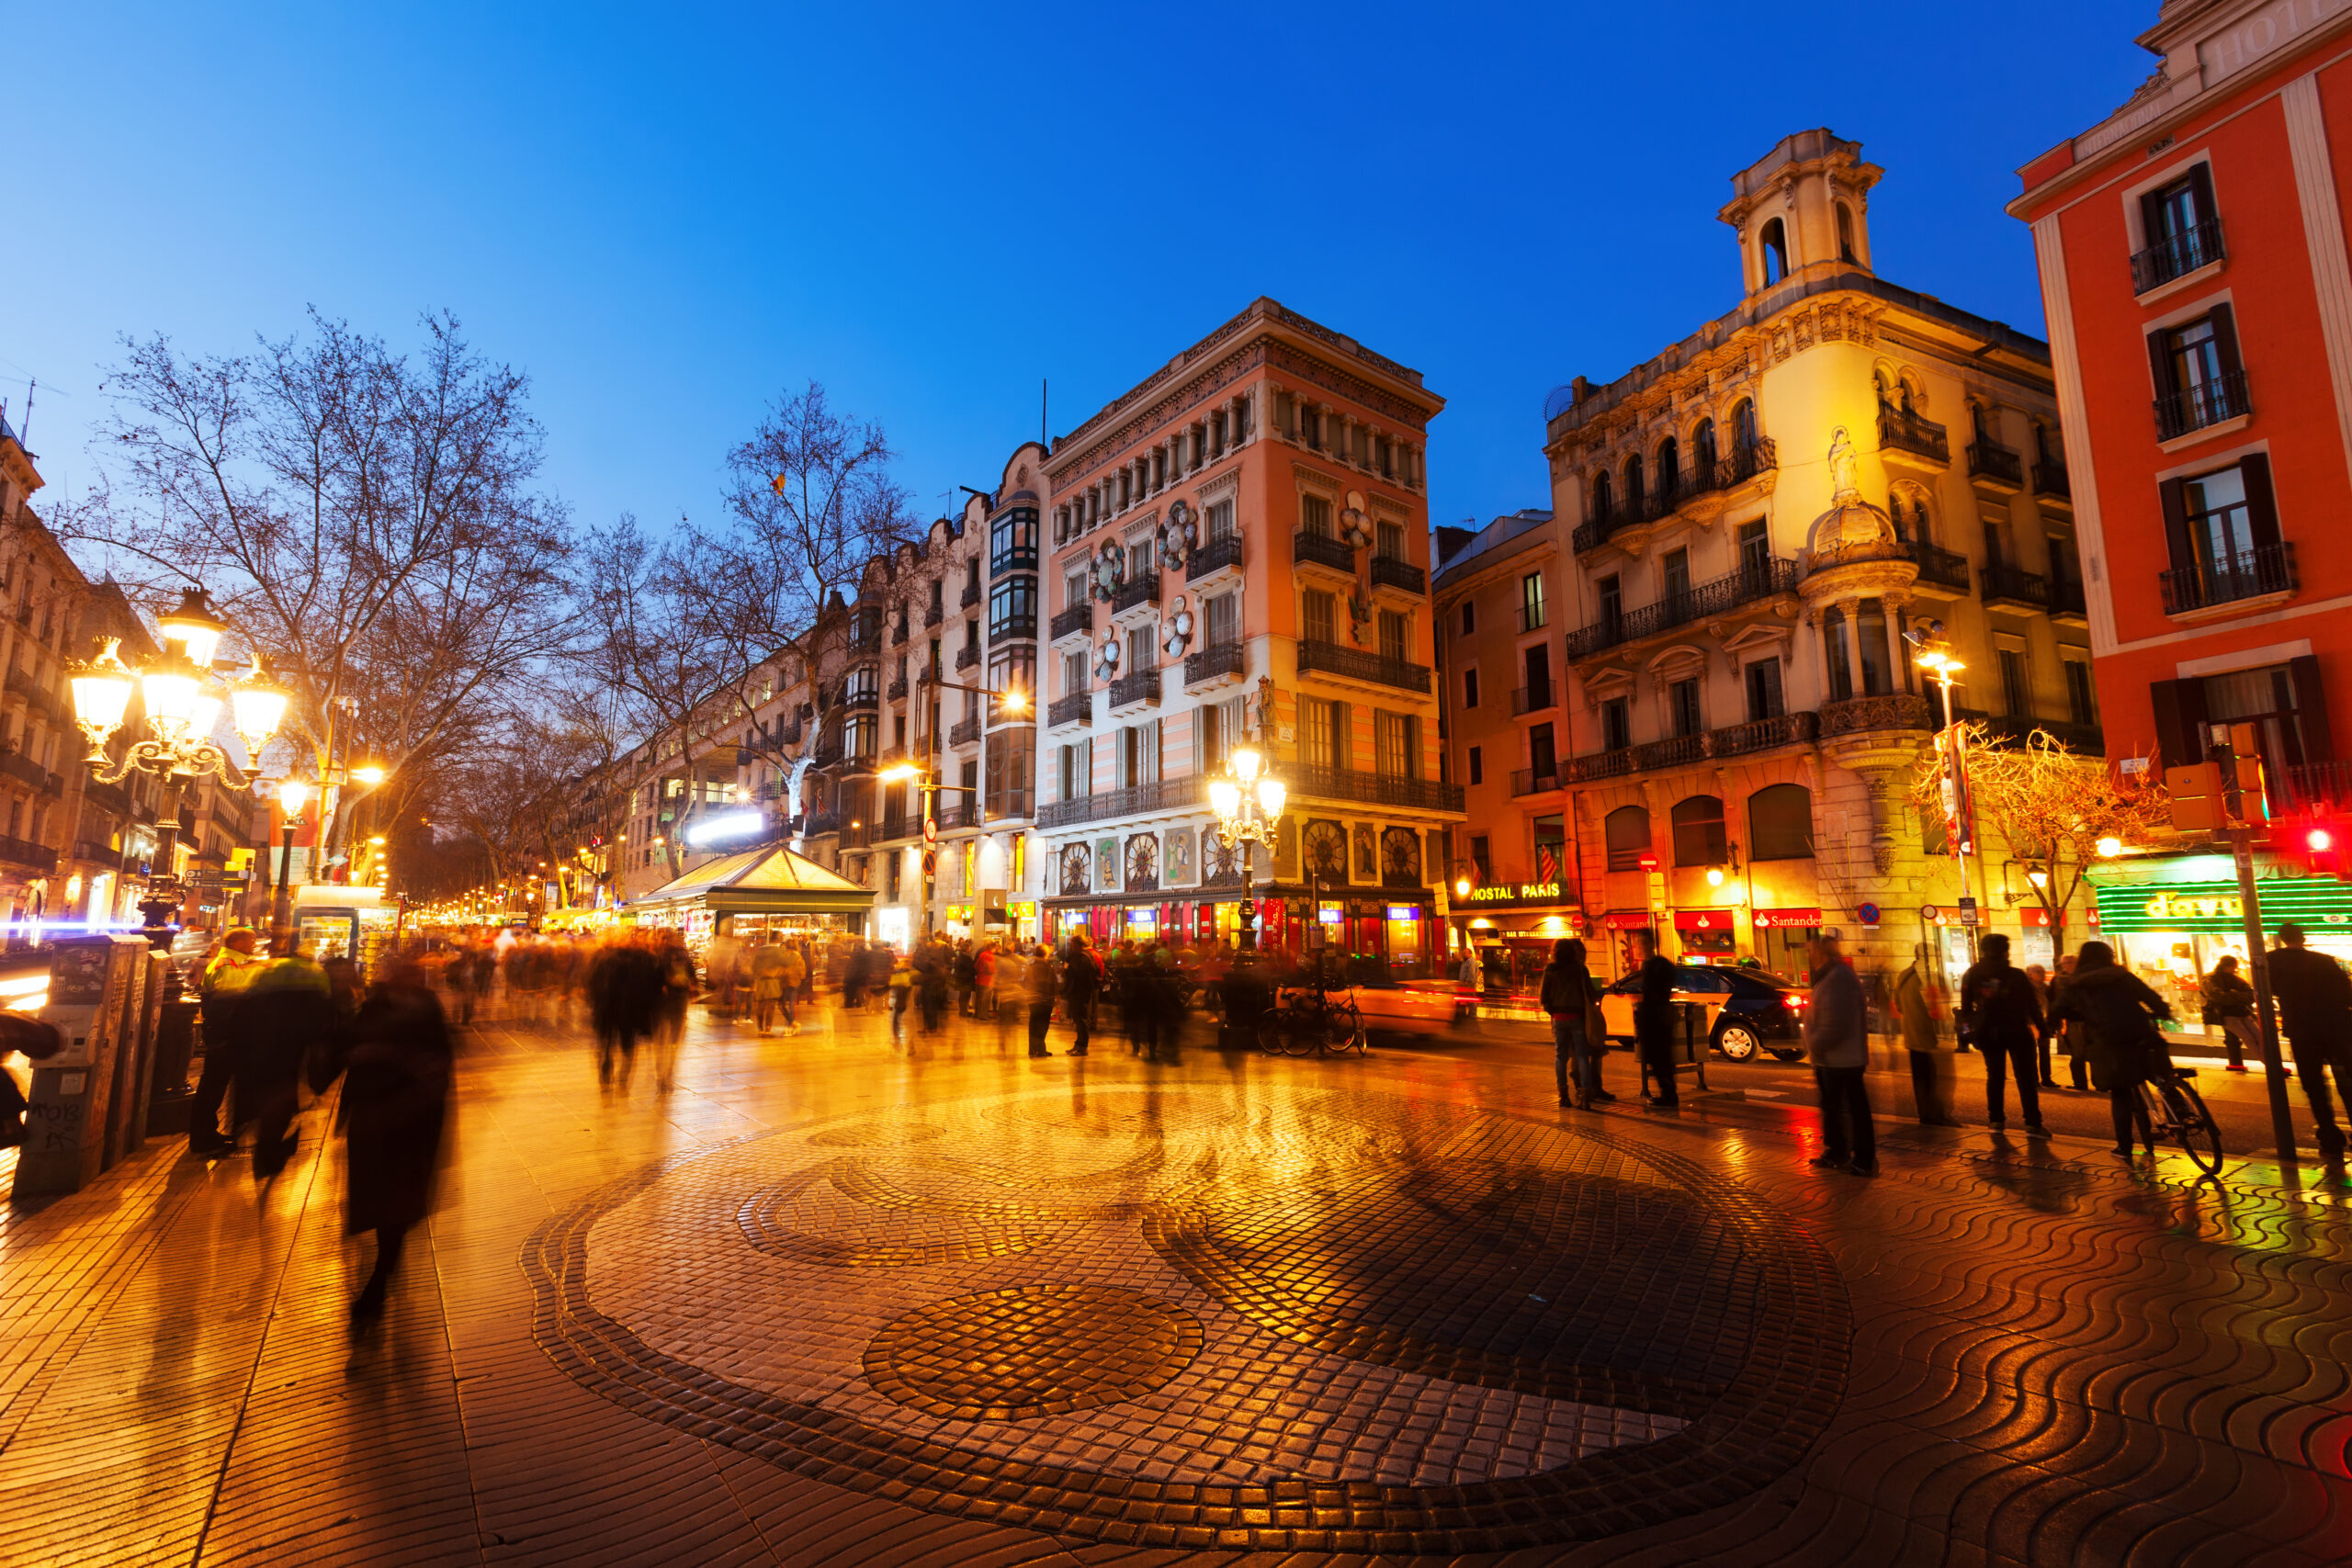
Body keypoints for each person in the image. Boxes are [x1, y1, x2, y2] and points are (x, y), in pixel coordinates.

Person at [340, 956, 453, 1333]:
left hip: (412, 1116)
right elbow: (348, 1049)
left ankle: (380, 1276)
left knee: (398, 1195)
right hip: (377, 1115)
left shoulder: (423, 1005)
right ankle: (385, 1259)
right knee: (378, 1193)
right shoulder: (376, 1006)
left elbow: (441, 1058)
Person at [2045, 942, 2168, 1157]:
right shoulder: (2121, 976)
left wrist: (2053, 1024)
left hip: (2109, 1040)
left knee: (2121, 1093)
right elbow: (2149, 996)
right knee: (2164, 1076)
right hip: (2141, 1031)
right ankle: (2183, 1114)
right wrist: (2163, 1011)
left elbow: (2057, 1009)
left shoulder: (2077, 984)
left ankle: (2125, 1147)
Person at [241, 932, 334, 1181]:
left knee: (271, 1089)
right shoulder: (316, 973)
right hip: (300, 1044)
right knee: (289, 1090)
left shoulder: (267, 971)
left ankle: (269, 1143)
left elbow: (248, 1002)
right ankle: (279, 1144)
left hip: (266, 1041)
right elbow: (327, 1009)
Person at [2265, 922, 2352, 1164]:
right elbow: (2348, 992)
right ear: (2303, 938)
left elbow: (2266, 991)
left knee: (2315, 1088)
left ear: (2282, 939)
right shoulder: (2324, 961)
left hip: (2303, 1032)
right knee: (2347, 1082)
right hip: (2337, 1030)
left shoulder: (2271, 961)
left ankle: (2330, 1140)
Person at [1959, 932, 2050, 1135]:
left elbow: (1965, 1010)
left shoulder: (1972, 974)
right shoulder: (2016, 975)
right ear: (2005, 951)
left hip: (1988, 1031)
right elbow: (2032, 1007)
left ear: (1983, 951)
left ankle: (1996, 1121)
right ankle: (2032, 1123)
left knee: (1995, 1076)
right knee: (2026, 1078)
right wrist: (2043, 1030)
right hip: (2017, 1029)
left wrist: (1966, 1034)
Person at [188, 928, 266, 1156]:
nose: (253, 945)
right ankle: (204, 1137)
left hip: (224, 1037)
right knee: (213, 1087)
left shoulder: (229, 963)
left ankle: (208, 1134)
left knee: (214, 1085)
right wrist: (223, 1039)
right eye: (251, 941)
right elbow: (226, 1004)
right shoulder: (228, 966)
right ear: (240, 943)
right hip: (226, 1038)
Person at [1804, 931, 1876, 1174]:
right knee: (1835, 1108)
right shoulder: (1831, 976)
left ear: (1821, 952)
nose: (1808, 955)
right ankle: (1839, 1151)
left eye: (1810, 950)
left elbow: (1835, 1024)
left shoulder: (1838, 979)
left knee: (1852, 1110)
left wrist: (1815, 1044)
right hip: (1834, 1059)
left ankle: (1862, 1158)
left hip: (1841, 1059)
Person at [1540, 938, 1611, 1109]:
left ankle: (1564, 1096)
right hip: (1577, 1017)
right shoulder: (1580, 969)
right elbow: (1591, 994)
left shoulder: (1550, 969)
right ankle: (1585, 1096)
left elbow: (1544, 998)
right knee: (1582, 1055)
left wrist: (1555, 1011)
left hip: (1559, 1017)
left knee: (1560, 1057)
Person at [1891, 942, 1956, 1126]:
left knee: (1920, 1079)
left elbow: (1898, 1004)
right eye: (1935, 955)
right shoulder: (1931, 977)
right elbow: (1940, 1007)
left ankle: (1926, 1115)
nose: (1937, 959)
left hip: (1913, 1037)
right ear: (1928, 957)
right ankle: (1939, 1116)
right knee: (1938, 1079)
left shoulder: (1904, 975)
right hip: (1932, 1039)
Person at [1632, 931, 1679, 1108]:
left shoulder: (1657, 965)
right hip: (1657, 1014)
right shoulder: (1655, 964)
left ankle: (1669, 1094)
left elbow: (1657, 991)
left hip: (1655, 1015)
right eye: (1639, 942)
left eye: (1643, 942)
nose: (1640, 946)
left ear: (1652, 943)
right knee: (1659, 1057)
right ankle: (1668, 1092)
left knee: (1659, 1056)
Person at [2201, 954, 2256, 1073]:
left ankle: (2270, 1063)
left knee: (2256, 1037)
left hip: (2240, 1013)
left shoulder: (2234, 979)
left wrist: (2233, 995)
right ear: (2227, 966)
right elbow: (2218, 996)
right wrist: (2237, 997)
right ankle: (2270, 1063)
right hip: (2227, 1015)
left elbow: (2250, 995)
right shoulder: (2210, 979)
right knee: (2249, 1038)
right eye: (2233, 967)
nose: (2235, 969)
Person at [2051, 953, 2091, 1089]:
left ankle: (2099, 1083)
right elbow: (2053, 1001)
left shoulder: (2085, 977)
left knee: (2093, 1053)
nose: (2068, 965)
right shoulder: (2057, 981)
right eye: (2065, 963)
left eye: (2071, 962)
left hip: (2089, 1019)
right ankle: (2080, 1083)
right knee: (2077, 1055)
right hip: (2071, 1021)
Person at [1062, 931, 1102, 1057]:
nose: (1071, 946)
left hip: (1080, 992)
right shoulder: (1081, 956)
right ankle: (1078, 1044)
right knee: (1078, 1019)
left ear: (1078, 944)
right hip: (1078, 992)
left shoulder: (1083, 957)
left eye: (1072, 944)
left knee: (1081, 1019)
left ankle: (1083, 1046)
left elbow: (1080, 976)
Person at [2025, 963, 2059, 1089]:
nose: (2042, 974)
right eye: (2038, 971)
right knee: (2032, 1053)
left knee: (2045, 1052)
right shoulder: (2026, 989)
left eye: (2043, 971)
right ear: (2030, 974)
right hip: (2031, 1024)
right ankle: (2034, 1079)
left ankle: (2046, 1078)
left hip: (2044, 1023)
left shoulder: (2047, 989)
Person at [750, 939, 789, 1034]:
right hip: (773, 982)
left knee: (761, 1006)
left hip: (761, 982)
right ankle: (768, 1029)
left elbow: (753, 967)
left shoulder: (759, 951)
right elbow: (785, 963)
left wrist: (758, 974)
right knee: (771, 1006)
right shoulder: (777, 951)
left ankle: (760, 1029)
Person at [1025, 942, 1058, 1057]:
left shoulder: (1031, 965)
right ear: (1046, 954)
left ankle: (1032, 1048)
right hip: (1045, 999)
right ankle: (1040, 1049)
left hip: (1032, 999)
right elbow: (1052, 983)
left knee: (1033, 1024)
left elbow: (1026, 981)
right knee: (1043, 1025)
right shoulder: (1047, 966)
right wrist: (1056, 996)